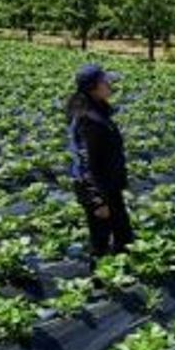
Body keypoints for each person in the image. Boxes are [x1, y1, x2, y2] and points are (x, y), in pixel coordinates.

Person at [67, 63, 134, 261]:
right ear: (93, 88)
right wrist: (97, 201)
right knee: (101, 244)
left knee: (124, 238)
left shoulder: (97, 111)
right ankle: (101, 286)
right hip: (98, 190)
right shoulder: (88, 119)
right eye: (105, 81)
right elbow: (85, 161)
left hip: (108, 187)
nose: (110, 84)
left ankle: (117, 281)